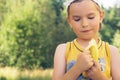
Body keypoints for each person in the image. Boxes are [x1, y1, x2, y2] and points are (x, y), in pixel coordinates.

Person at [52, 0, 120, 80]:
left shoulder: (112, 51)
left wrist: (99, 76)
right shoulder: (62, 50)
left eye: (90, 17)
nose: (84, 24)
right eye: (77, 19)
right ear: (69, 21)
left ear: (101, 17)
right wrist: (77, 68)